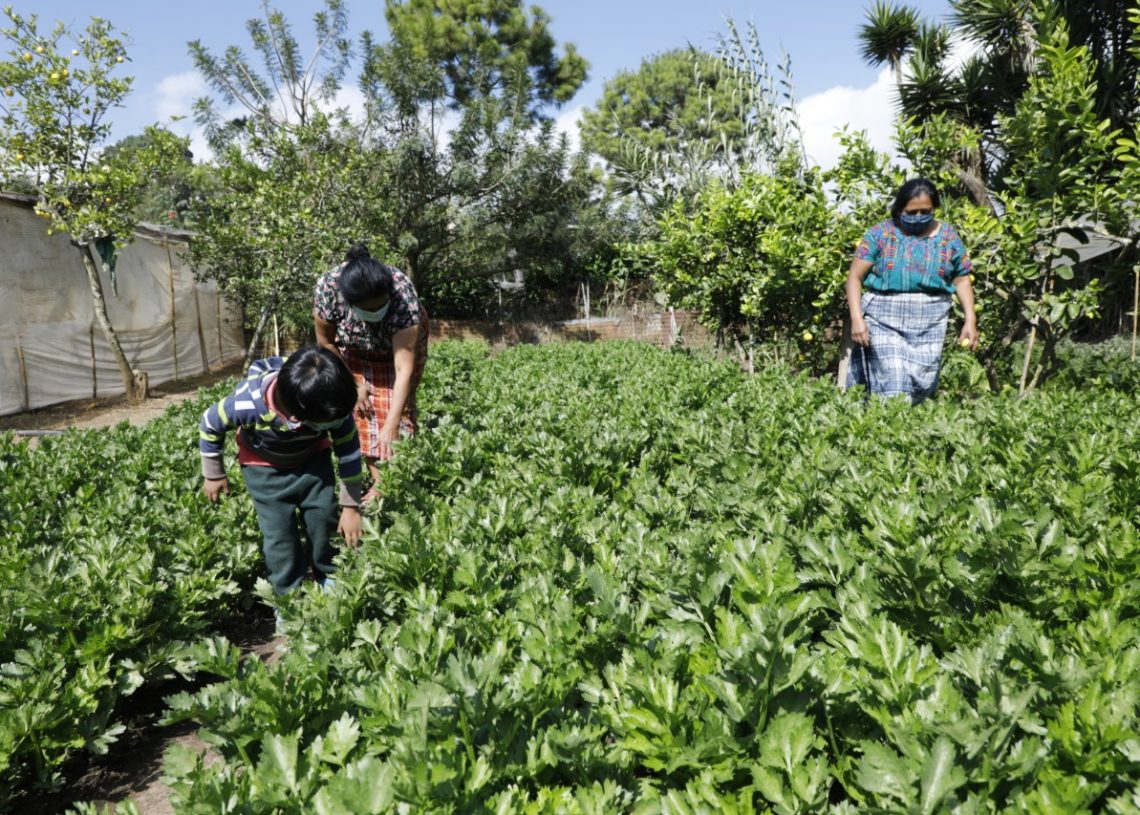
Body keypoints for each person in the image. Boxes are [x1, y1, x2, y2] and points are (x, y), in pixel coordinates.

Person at [199, 347, 364, 595]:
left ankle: (330, 573)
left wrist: (351, 507)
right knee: (280, 535)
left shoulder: (331, 405)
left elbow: (349, 452)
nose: (340, 423)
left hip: (313, 459)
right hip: (264, 469)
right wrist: (213, 474)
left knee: (324, 518)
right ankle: (286, 593)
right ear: (297, 418)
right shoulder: (247, 404)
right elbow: (210, 422)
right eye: (330, 424)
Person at [845, 178, 979, 403]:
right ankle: (888, 432)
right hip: (884, 319)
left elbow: (962, 280)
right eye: (911, 212)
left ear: (935, 208)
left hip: (930, 322)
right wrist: (857, 319)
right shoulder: (880, 234)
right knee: (895, 384)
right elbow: (854, 278)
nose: (918, 217)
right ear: (899, 209)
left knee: (919, 388)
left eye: (925, 211)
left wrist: (970, 320)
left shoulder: (947, 236)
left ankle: (900, 434)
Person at [313, 244, 429, 501]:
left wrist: (392, 423)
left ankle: (392, 479)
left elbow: (403, 368)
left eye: (380, 307)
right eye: (368, 309)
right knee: (360, 409)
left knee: (395, 410)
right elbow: (326, 343)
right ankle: (378, 481)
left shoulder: (403, 297)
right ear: (349, 302)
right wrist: (353, 383)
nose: (376, 313)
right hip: (350, 349)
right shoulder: (329, 289)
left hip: (397, 349)